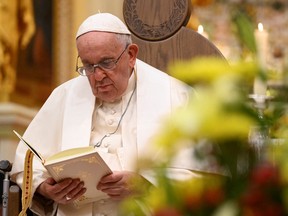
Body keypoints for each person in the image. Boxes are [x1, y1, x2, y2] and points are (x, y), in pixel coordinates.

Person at [10, 13, 199, 216]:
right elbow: (27, 162)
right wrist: (46, 188)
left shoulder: (175, 95)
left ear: (131, 55)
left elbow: (201, 174)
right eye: (88, 66)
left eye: (107, 62)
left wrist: (146, 185)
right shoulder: (64, 96)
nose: (98, 76)